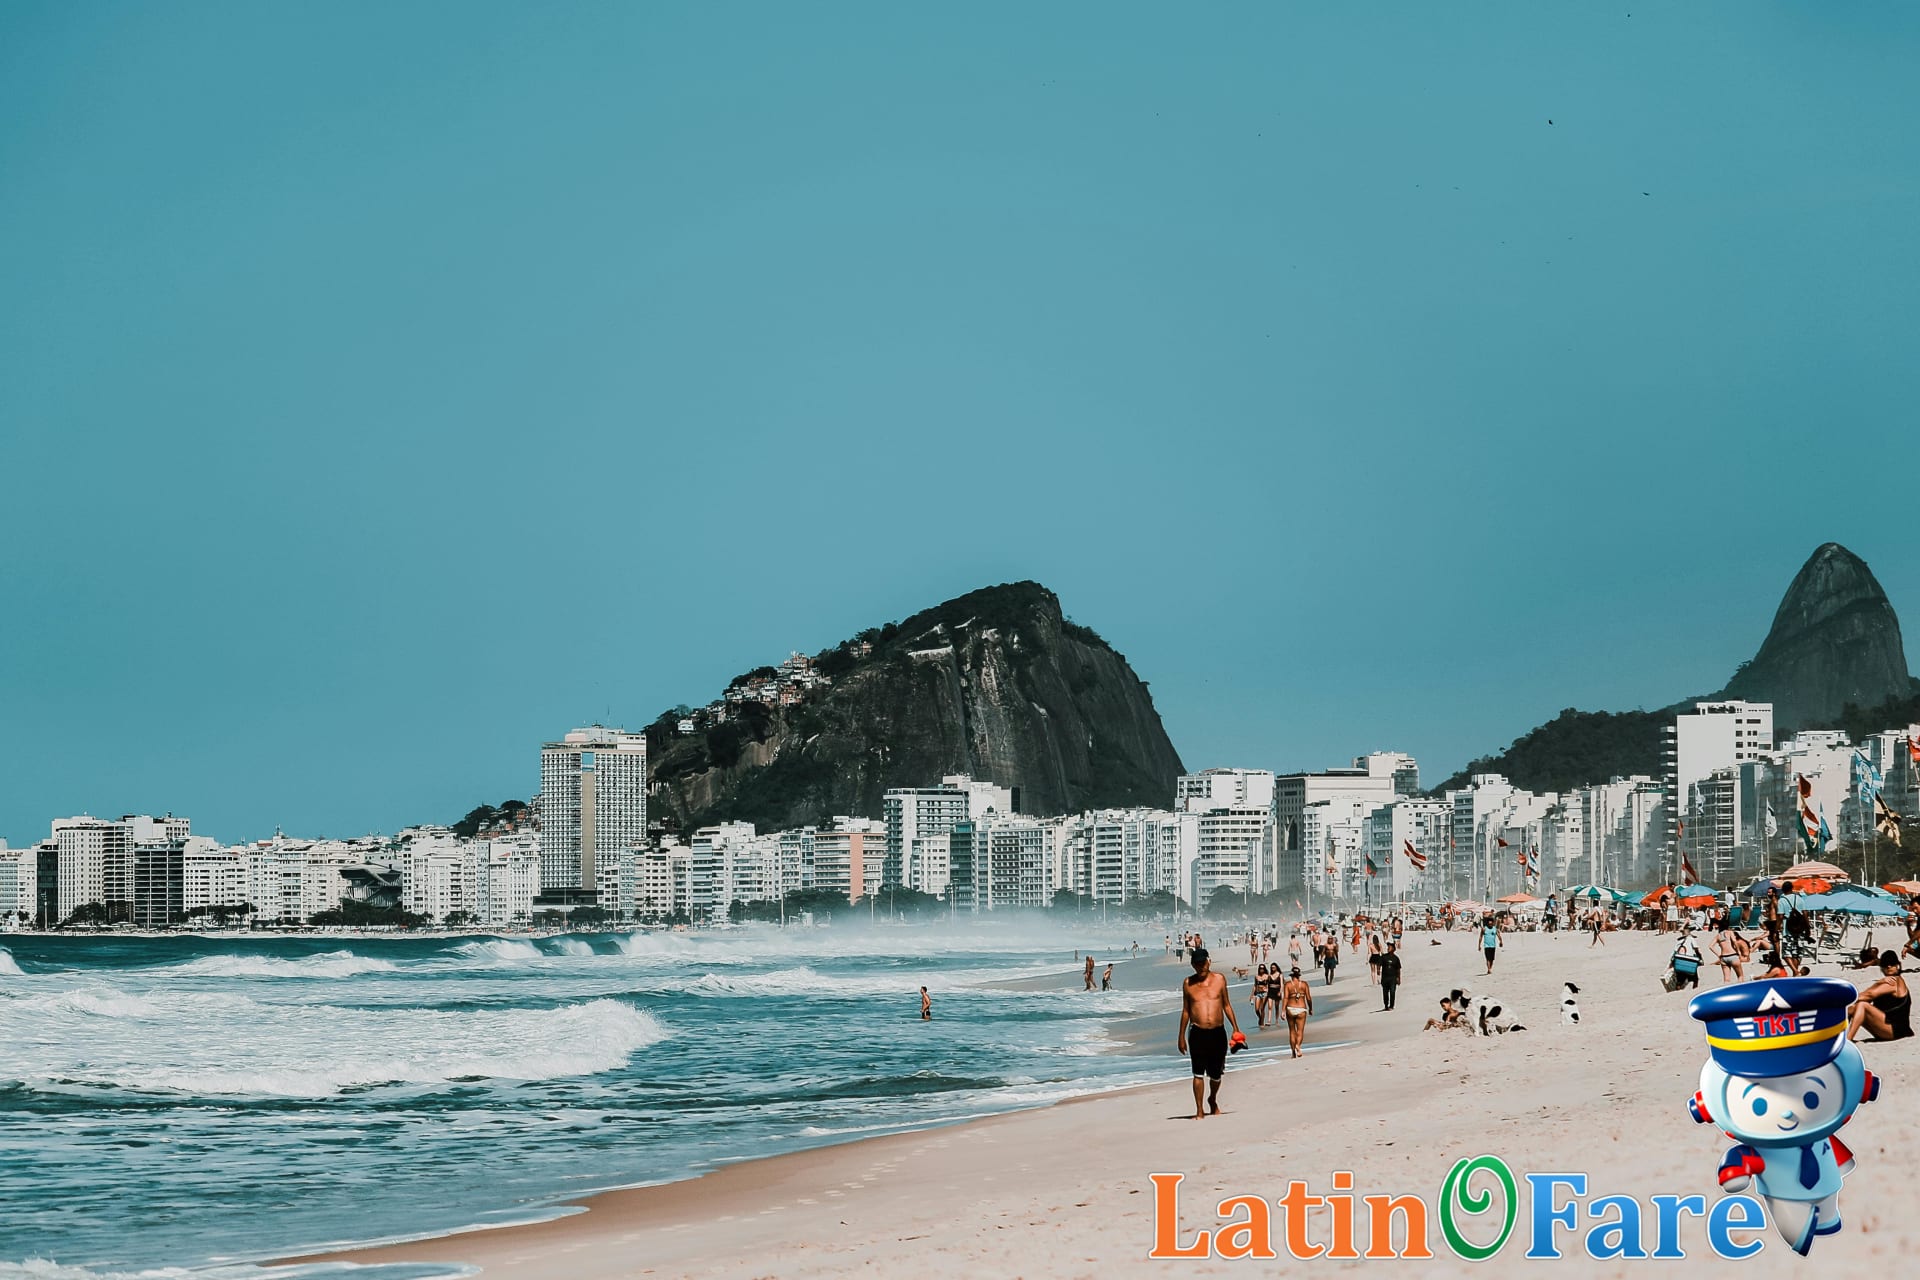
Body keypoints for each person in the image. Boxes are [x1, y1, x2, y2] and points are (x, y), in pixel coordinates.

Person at [1176, 947, 1240, 1118]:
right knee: (1197, 1072)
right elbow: (1186, 1011)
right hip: (1197, 1032)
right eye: (1197, 964)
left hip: (1218, 1032)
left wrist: (1236, 1028)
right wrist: (1181, 1036)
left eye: (1203, 963)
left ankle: (1212, 1098)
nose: (1201, 967)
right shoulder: (1188, 984)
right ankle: (1199, 1110)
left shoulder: (1219, 979)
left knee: (1216, 1074)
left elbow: (1226, 1005)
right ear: (1193, 965)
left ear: (1208, 961)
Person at [1847, 951, 1912, 1042]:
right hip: (1886, 1027)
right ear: (1881, 967)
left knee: (1862, 1005)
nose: (1888, 966)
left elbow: (1868, 995)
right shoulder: (1886, 981)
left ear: (1897, 965)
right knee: (1852, 1008)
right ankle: (1835, 1037)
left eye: (1892, 964)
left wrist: (1844, 999)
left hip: (1896, 1030)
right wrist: (1878, 983)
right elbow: (1869, 994)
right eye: (1885, 964)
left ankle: (1848, 1040)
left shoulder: (1894, 982)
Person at [1281, 965, 1313, 1058]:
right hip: (1301, 1008)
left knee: (1292, 1031)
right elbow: (1308, 998)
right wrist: (1310, 1008)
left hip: (1290, 1008)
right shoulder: (1304, 984)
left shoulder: (1288, 984)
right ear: (1299, 975)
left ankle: (1293, 1053)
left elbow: (1286, 998)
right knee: (1300, 1030)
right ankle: (1298, 1046)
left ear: (1291, 975)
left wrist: (1283, 1010)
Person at [1379, 941, 1402, 1010]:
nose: (1388, 948)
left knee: (1392, 992)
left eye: (1390, 947)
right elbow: (1379, 964)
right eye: (1388, 947)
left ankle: (1391, 1006)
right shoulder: (1384, 957)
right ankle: (1386, 1005)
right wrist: (1377, 970)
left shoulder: (1396, 958)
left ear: (1393, 949)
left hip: (1393, 978)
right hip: (1385, 978)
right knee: (1385, 993)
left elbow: (1398, 969)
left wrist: (1399, 978)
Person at [1252, 963, 1270, 1027]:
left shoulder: (1267, 976)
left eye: (1262, 968)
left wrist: (1268, 991)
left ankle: (1262, 1023)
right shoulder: (1256, 976)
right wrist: (1252, 995)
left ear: (1264, 969)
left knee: (1262, 1008)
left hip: (1264, 993)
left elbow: (1269, 984)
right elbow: (1255, 985)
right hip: (1258, 993)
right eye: (1260, 968)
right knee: (1257, 1009)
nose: (1261, 970)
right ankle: (1260, 1018)